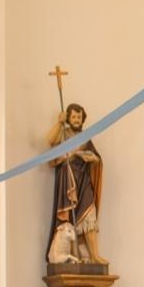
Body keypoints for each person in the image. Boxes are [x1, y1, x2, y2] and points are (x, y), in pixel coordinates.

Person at [46, 103, 105, 265]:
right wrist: (59, 123)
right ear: (68, 118)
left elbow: (97, 159)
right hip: (68, 182)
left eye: (79, 117)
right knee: (68, 223)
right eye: (73, 117)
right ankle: (70, 256)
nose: (77, 120)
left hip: (83, 181)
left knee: (89, 214)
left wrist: (91, 158)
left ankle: (94, 255)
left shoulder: (86, 138)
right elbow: (50, 142)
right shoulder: (63, 135)